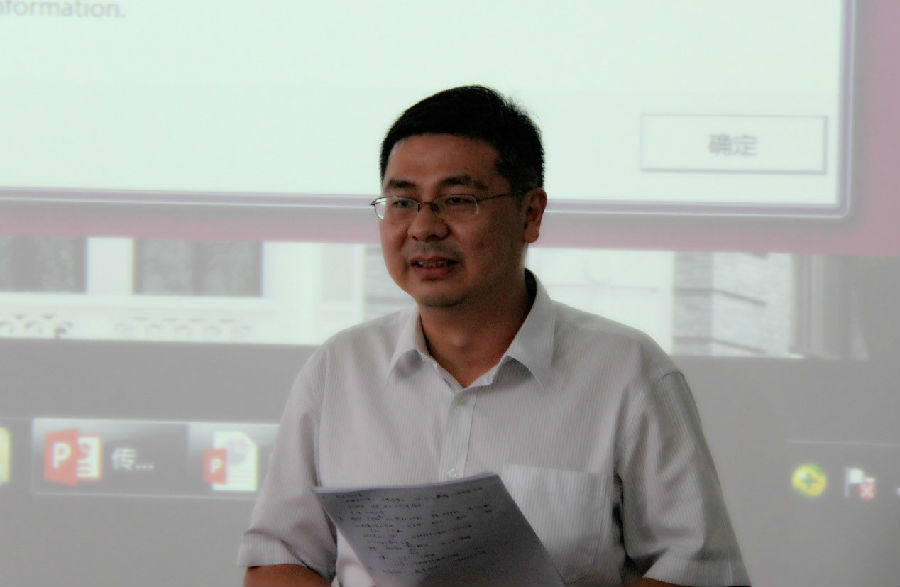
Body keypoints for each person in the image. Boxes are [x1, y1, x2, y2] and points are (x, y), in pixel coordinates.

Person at [239, 86, 749, 587]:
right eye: (402, 201)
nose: (424, 227)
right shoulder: (340, 368)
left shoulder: (627, 371)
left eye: (458, 200)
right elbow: (277, 561)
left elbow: (700, 573)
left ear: (531, 214)